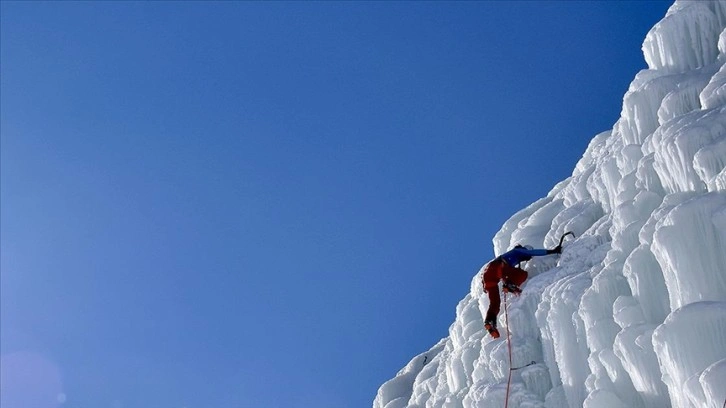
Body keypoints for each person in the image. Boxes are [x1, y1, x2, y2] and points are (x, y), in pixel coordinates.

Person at [481, 243, 562, 338]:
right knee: (522, 274)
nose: (528, 257)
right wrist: (552, 251)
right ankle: (511, 285)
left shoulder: (509, 257)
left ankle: (490, 321)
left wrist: (504, 283)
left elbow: (502, 273)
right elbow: (535, 252)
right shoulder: (518, 251)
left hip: (488, 277)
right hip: (497, 268)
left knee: (495, 303)